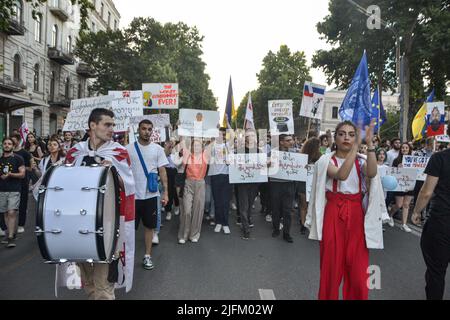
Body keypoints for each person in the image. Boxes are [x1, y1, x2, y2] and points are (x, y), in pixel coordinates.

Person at [306, 120, 387, 300]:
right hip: (334, 212)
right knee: (331, 270)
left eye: (352, 134)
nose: (347, 138)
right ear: (335, 137)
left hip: (357, 214)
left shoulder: (361, 160)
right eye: (342, 134)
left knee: (358, 274)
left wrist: (371, 146)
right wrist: (356, 147)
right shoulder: (326, 160)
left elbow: (372, 173)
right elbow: (341, 175)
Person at [64, 108, 135, 300]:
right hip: (79, 222)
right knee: (88, 281)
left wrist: (112, 171)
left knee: (104, 285)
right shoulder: (74, 152)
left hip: (108, 224)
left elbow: (128, 186)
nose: (112, 129)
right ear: (92, 125)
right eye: (107, 124)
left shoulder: (118, 152)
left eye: (113, 125)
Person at [412, 128, 450, 300]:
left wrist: (416, 211)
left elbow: (426, 192)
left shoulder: (439, 158)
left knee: (436, 272)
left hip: (441, 221)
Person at [126, 120, 168, 270]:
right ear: (138, 130)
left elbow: (162, 171)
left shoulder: (157, 149)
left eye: (149, 129)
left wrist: (166, 193)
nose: (147, 132)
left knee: (149, 227)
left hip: (151, 195)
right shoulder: (128, 149)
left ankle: (147, 256)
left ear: (152, 131)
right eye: (144, 129)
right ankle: (127, 258)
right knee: (130, 229)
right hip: (132, 196)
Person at [178, 138, 210, 244]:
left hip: (200, 184)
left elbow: (215, 141)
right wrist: (179, 125)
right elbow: (182, 139)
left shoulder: (205, 155)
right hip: (188, 183)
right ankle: (184, 235)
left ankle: (194, 234)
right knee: (186, 210)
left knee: (198, 210)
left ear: (202, 148)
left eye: (198, 146)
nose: (196, 147)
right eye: (194, 145)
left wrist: (216, 128)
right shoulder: (187, 155)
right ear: (191, 147)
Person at [269, 134, 297, 243]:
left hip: (289, 184)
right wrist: (268, 163)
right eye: (288, 140)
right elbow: (263, 166)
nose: (291, 142)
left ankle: (286, 233)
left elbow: (299, 167)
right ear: (281, 142)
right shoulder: (273, 153)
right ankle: (276, 229)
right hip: (275, 184)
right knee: (275, 208)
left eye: (291, 140)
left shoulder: (295, 154)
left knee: (288, 210)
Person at [0, 137, 25, 248]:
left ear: (13, 146)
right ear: (2, 145)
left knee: (11, 212)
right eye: (5, 143)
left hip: (14, 189)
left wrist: (11, 174)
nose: (7, 145)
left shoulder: (18, 158)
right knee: (5, 213)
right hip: (2, 190)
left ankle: (10, 237)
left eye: (9, 144)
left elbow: (22, 174)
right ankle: (10, 233)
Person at [235, 129, 260, 240]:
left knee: (250, 205)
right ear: (245, 139)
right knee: (244, 205)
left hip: (254, 183)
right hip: (242, 182)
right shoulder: (240, 151)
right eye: (248, 136)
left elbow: (262, 165)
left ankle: (247, 219)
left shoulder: (259, 152)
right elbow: (234, 164)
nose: (251, 138)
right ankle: (246, 229)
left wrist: (268, 163)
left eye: (253, 136)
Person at [209, 127, 232, 235]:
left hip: (226, 175)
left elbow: (232, 135)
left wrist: (228, 124)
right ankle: (218, 222)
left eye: (222, 134)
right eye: (218, 134)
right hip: (214, 175)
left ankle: (225, 223)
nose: (220, 136)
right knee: (217, 200)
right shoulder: (211, 146)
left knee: (225, 201)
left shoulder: (227, 146)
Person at [298, 137, 322, 235]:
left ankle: (308, 223)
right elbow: (298, 169)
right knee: (304, 205)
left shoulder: (321, 157)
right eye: (319, 146)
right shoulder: (302, 157)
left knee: (310, 205)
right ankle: (303, 224)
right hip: (305, 184)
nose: (320, 147)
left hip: (314, 184)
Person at [389, 142, 413, 232]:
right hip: (400, 184)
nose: (404, 149)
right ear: (400, 149)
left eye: (406, 148)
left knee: (406, 205)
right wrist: (398, 168)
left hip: (410, 184)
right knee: (399, 204)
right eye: (403, 148)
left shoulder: (413, 160)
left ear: (409, 149)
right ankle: (390, 215)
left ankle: (404, 224)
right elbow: (392, 173)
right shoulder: (396, 160)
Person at [10, 134, 31, 234]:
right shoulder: (8, 153)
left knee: (22, 204)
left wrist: (20, 168)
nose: (12, 144)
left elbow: (30, 167)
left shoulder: (25, 153)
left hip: (23, 182)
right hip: (10, 182)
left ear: (18, 141)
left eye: (13, 141)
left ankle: (21, 225)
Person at [163, 140, 179, 221]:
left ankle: (177, 205)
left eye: (173, 142)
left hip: (175, 172)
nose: (171, 143)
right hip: (167, 171)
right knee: (168, 191)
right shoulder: (164, 151)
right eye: (170, 142)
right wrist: (167, 148)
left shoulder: (177, 151)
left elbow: (178, 162)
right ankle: (168, 211)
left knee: (175, 191)